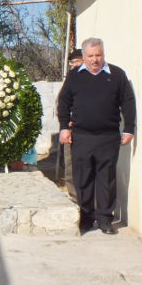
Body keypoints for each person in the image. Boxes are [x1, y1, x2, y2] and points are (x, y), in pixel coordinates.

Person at [58, 38, 136, 235]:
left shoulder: (117, 75)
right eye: (90, 56)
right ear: (83, 57)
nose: (95, 60)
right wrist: (63, 128)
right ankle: (85, 218)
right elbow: (64, 103)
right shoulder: (75, 76)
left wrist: (128, 129)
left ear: (103, 54)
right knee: (83, 179)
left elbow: (128, 102)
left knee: (106, 179)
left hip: (108, 137)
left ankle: (105, 219)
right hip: (81, 136)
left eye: (98, 55)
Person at [61, 49, 84, 202]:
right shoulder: (70, 78)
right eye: (72, 62)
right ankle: (75, 199)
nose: (74, 65)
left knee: (85, 168)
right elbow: (62, 102)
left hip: (85, 130)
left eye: (77, 61)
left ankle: (89, 204)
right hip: (70, 130)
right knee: (70, 167)